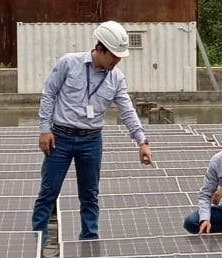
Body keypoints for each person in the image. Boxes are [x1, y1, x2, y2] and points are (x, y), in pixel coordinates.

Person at [32, 20, 153, 244]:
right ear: (99, 49)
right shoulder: (69, 63)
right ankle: (37, 242)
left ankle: (89, 242)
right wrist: (44, 129)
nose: (117, 62)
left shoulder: (116, 78)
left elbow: (127, 110)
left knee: (90, 195)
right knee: (49, 192)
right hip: (60, 137)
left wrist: (142, 141)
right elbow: (49, 93)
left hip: (91, 141)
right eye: (113, 56)